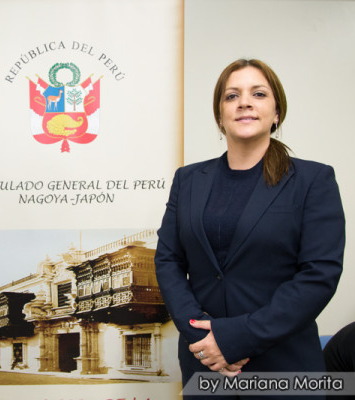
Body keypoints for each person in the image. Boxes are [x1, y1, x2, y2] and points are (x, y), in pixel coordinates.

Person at [155, 59, 345, 399]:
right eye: (232, 96)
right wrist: (200, 334)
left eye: (258, 94)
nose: (244, 102)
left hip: (284, 366)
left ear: (276, 113)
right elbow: (168, 261)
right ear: (220, 116)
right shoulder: (188, 180)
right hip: (205, 364)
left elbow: (319, 275)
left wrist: (235, 339)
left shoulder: (313, 180)